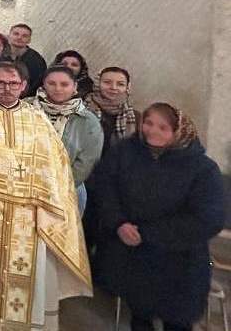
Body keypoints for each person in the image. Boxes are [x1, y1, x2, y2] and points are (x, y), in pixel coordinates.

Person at [0, 61, 92, 331]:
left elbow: (55, 164)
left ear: (24, 85)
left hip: (28, 212)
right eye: (1, 82)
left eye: (13, 83)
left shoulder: (36, 118)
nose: (6, 88)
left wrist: (44, 198)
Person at [92, 103, 223, 331]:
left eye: (163, 127)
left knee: (177, 322)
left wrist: (147, 234)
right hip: (133, 258)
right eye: (149, 123)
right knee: (140, 318)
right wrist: (119, 223)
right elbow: (105, 187)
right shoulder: (126, 151)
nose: (152, 131)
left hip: (179, 264)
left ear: (180, 131)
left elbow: (209, 217)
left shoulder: (202, 169)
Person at [27, 66, 103, 213]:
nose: (58, 89)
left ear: (74, 87)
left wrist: (59, 186)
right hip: (24, 185)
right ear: (43, 84)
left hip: (67, 190)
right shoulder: (25, 108)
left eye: (64, 84)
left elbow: (87, 161)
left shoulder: (87, 121)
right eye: (52, 83)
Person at [84, 66, 139, 152]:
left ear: (127, 88)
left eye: (120, 84)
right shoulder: (81, 111)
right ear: (98, 84)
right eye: (107, 82)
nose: (113, 87)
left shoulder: (136, 117)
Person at [8, 23, 47, 97]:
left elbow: (38, 84)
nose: (19, 37)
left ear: (29, 40)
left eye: (24, 36)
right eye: (16, 34)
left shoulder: (36, 60)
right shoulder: (0, 55)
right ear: (9, 36)